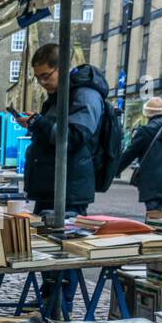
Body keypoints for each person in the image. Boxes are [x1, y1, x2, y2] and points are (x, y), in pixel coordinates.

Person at [15, 43, 109, 216]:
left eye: (46, 76)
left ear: (63, 67)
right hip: (53, 188)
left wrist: (37, 122)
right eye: (37, 77)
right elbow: (53, 134)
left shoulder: (85, 95)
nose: (42, 83)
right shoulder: (61, 95)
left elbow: (73, 138)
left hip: (67, 191)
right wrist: (34, 123)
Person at [115, 96, 162, 214]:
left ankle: (155, 231)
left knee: (153, 214)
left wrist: (113, 171)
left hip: (150, 180)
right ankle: (157, 230)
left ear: (147, 112)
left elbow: (130, 154)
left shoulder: (145, 131)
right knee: (156, 212)